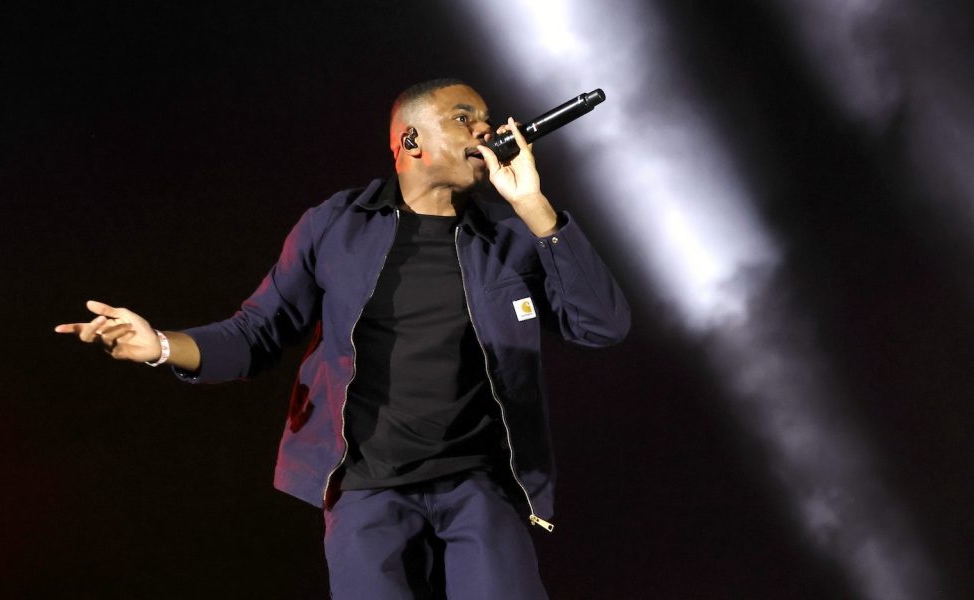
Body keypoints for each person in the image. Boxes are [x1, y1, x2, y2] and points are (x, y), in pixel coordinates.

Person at [56, 78, 630, 599]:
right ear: (411, 142)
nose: (488, 128)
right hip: (366, 489)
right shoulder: (336, 225)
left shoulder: (508, 237)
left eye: (487, 117)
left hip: (480, 486)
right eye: (464, 118)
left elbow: (601, 324)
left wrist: (533, 206)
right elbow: (256, 332)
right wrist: (158, 344)